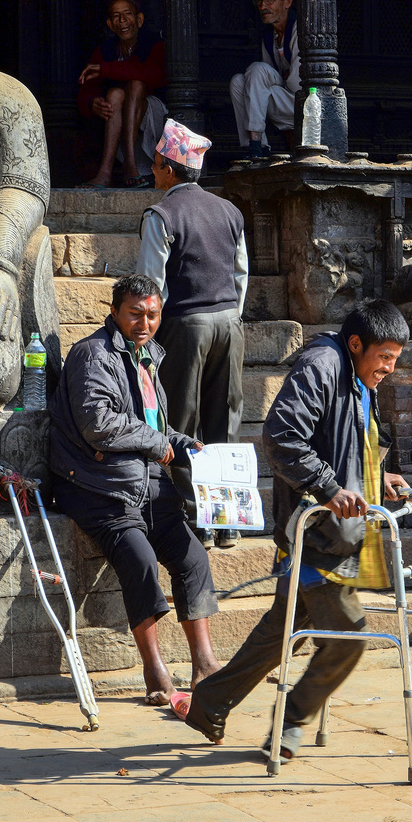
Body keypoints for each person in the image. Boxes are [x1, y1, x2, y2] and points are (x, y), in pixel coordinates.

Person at [170, 300, 412, 761]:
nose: (389, 368)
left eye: (395, 359)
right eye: (384, 357)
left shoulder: (360, 374)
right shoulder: (322, 366)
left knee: (279, 632)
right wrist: (327, 488)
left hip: (337, 529)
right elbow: (282, 437)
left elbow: (350, 442)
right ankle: (291, 722)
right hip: (317, 532)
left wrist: (380, 480)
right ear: (357, 343)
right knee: (350, 636)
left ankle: (209, 703)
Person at [49, 273, 224, 706]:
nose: (144, 323)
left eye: (152, 314)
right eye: (135, 314)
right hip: (99, 487)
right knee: (141, 560)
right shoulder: (92, 355)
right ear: (114, 312)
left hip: (147, 485)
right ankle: (154, 668)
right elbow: (99, 424)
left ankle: (204, 663)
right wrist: (161, 444)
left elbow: (155, 428)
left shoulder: (148, 357)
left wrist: (188, 447)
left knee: (193, 557)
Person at [136, 120, 249, 548]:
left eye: (157, 163)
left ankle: (193, 520)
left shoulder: (161, 214)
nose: (153, 169)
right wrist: (230, 318)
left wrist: (148, 337)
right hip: (229, 324)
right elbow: (240, 275)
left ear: (168, 168)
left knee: (181, 421)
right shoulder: (230, 211)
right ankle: (228, 521)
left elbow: (151, 288)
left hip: (186, 326)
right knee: (225, 421)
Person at [77, 0, 169, 188]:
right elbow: (86, 86)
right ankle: (105, 173)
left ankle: (130, 162)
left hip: (152, 109)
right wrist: (92, 102)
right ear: (110, 24)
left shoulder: (154, 43)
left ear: (139, 19)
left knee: (135, 85)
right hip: (118, 111)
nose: (122, 20)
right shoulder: (105, 49)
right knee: (114, 94)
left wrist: (105, 69)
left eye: (127, 14)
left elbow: (151, 74)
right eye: (116, 16)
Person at [229, 0, 300, 160]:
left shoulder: (299, 30)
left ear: (288, 1)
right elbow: (268, 75)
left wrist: (277, 79)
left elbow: (295, 84)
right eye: (260, 0)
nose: (262, 6)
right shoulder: (270, 34)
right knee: (237, 81)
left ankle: (256, 143)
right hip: (282, 97)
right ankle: (255, 146)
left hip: (302, 104)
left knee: (257, 70)